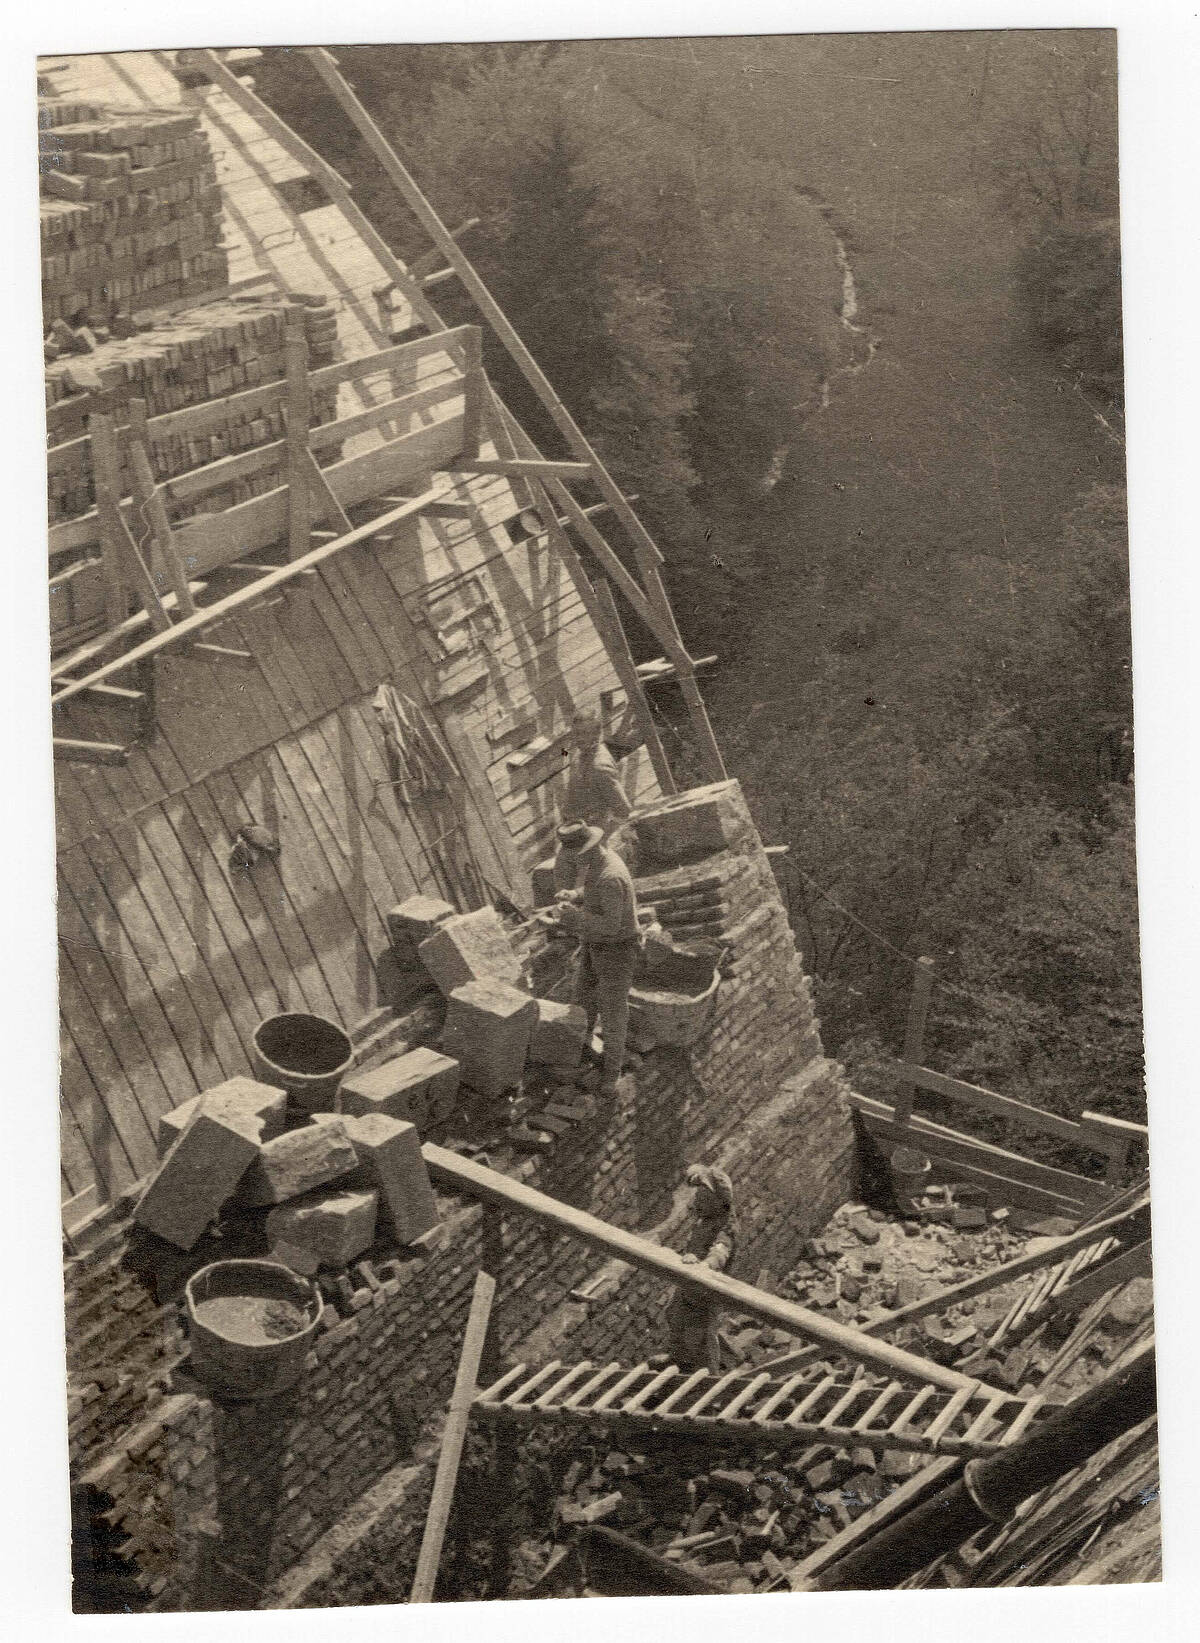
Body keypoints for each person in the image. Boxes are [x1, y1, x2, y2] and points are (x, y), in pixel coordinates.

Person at [551, 820, 641, 1095]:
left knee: (613, 1014)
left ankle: (610, 1077)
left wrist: (574, 917)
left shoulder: (610, 876)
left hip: (617, 949)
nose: (574, 861)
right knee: (582, 1002)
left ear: (588, 850)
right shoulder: (600, 863)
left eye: (576, 856)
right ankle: (583, 1057)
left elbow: (611, 925)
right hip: (596, 944)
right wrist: (576, 895)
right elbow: (594, 895)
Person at [664, 1165, 739, 1373]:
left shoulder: (725, 1226)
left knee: (702, 1335)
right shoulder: (706, 1219)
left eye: (705, 1197)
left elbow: (720, 1253)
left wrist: (702, 1265)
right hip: (691, 1284)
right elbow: (695, 1173)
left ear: (718, 1202)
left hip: (707, 1289)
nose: (699, 1201)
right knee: (674, 1315)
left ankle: (708, 1379)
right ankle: (679, 1360)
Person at [557, 707, 633, 890]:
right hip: (573, 834)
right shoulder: (577, 753)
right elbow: (567, 755)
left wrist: (601, 839)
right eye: (576, 733)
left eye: (584, 733)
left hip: (590, 839)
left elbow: (624, 810)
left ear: (597, 734)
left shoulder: (600, 767)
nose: (578, 738)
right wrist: (560, 752)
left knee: (580, 891)